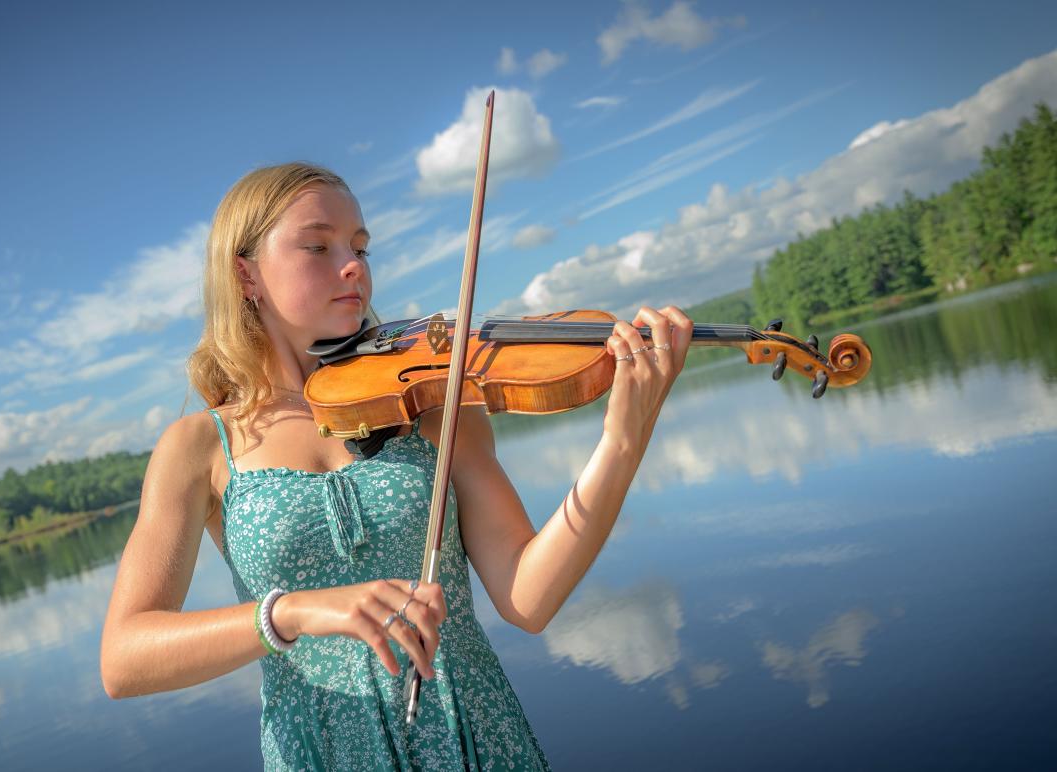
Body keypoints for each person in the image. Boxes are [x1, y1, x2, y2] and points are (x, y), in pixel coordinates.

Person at [100, 162, 694, 769]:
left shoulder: (429, 404)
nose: (353, 265)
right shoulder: (198, 447)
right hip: (320, 752)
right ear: (245, 273)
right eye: (319, 245)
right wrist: (294, 611)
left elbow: (529, 597)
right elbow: (124, 659)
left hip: (474, 739)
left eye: (359, 247)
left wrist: (622, 443)